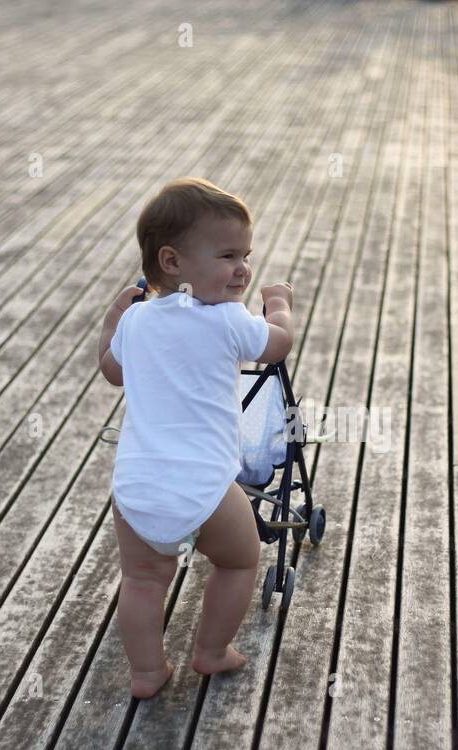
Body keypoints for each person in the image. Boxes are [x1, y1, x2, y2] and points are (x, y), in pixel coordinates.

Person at [97, 177, 293, 698]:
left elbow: (112, 370)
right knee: (239, 560)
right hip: (205, 487)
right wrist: (278, 303)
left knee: (141, 581)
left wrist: (113, 318)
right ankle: (209, 651)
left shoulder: (136, 321)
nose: (243, 269)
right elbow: (275, 347)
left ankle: (146, 672)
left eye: (246, 256)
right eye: (229, 255)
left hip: (136, 487)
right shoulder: (229, 320)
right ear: (172, 262)